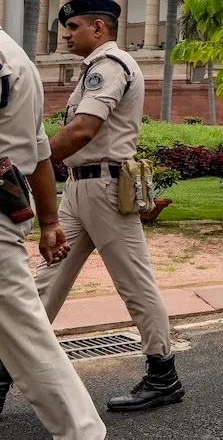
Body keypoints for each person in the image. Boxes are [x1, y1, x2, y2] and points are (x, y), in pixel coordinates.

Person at [33, 0, 184, 412]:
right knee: (47, 278)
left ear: (99, 28)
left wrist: (31, 161)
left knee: (134, 284)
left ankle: (163, 374)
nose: (65, 33)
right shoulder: (93, 70)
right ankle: (6, 366)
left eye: (73, 26)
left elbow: (83, 130)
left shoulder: (110, 67)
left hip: (104, 189)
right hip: (80, 188)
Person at [0, 25, 106, 439]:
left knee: (28, 339)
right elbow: (40, 149)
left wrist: (50, 221)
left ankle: (83, 433)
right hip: (19, 199)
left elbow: (50, 145)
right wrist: (48, 221)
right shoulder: (18, 57)